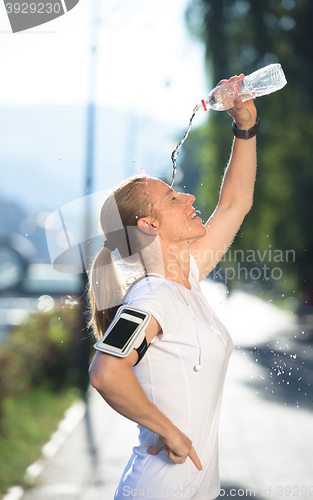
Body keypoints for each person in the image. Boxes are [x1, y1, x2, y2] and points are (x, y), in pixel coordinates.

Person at [89, 75, 258, 499]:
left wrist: (246, 126)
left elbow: (235, 204)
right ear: (149, 225)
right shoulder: (153, 296)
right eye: (171, 199)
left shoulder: (186, 281)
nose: (188, 198)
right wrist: (168, 431)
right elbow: (107, 373)